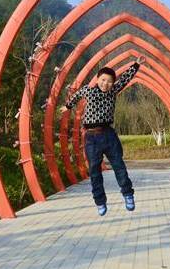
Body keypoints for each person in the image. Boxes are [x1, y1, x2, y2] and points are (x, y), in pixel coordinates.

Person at [59, 55, 145, 216]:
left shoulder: (113, 91)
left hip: (108, 135)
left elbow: (125, 79)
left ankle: (128, 194)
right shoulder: (88, 90)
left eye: (110, 81)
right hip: (91, 138)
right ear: (98, 79)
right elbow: (77, 95)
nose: (106, 84)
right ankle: (100, 201)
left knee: (119, 166)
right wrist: (68, 106)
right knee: (94, 170)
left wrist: (136, 65)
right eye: (103, 80)